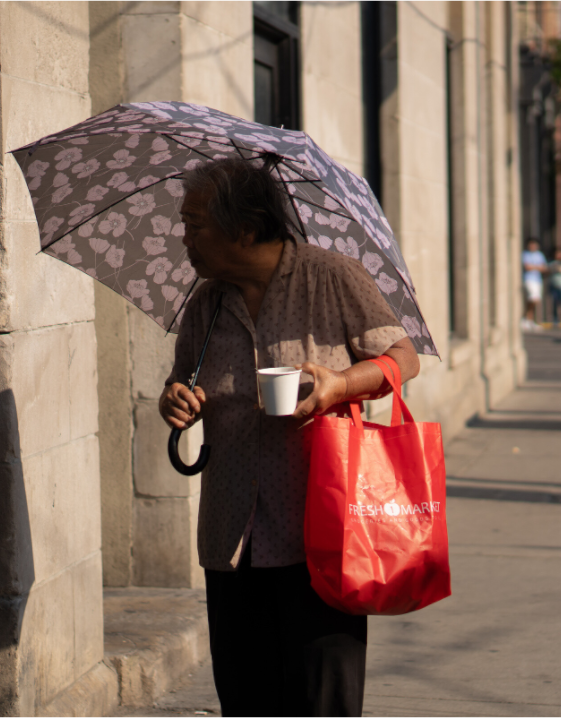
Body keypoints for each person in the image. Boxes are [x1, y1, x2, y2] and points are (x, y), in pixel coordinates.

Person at [158, 157, 419, 717]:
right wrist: (176, 399)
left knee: (322, 700)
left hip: (321, 531)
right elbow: (183, 379)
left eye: (195, 224)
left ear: (245, 229)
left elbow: (403, 358)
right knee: (246, 698)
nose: (185, 240)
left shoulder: (333, 277)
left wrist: (340, 384)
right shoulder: (207, 302)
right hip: (233, 535)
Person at [521, 239, 547, 331]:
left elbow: (544, 268)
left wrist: (534, 267)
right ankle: (525, 318)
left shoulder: (539, 255)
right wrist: (537, 267)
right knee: (533, 299)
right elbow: (527, 267)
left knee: (535, 300)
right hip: (528, 279)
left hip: (537, 280)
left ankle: (530, 320)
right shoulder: (525, 254)